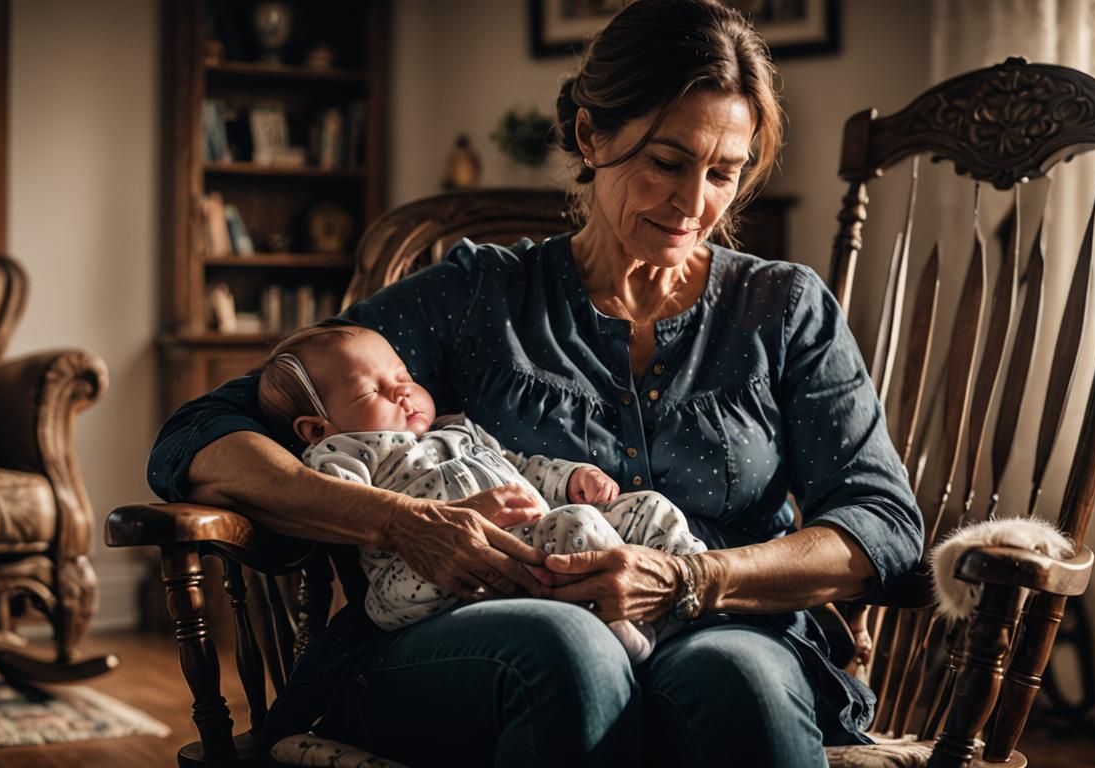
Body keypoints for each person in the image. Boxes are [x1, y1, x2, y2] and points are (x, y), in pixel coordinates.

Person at [146, 0, 923, 764]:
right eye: (666, 162)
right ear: (591, 135)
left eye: (724, 173)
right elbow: (201, 434)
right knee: (571, 649)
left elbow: (881, 522)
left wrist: (691, 577)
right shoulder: (478, 296)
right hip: (490, 631)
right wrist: (398, 521)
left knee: (742, 684)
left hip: (719, 622)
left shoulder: (782, 307)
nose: (695, 204)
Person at [255, 323, 707, 663]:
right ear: (317, 428)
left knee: (648, 505)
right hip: (417, 579)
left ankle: (690, 591)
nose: (403, 392)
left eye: (403, 375)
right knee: (577, 524)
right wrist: (460, 514)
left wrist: (571, 478)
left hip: (535, 534)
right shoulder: (342, 451)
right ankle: (628, 631)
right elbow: (339, 509)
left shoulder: (457, 430)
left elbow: (521, 466)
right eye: (372, 390)